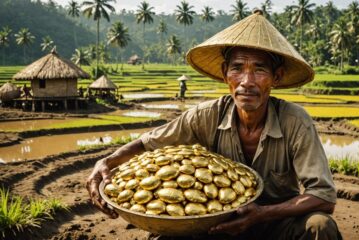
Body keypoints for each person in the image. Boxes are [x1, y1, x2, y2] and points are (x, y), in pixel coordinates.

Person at [87, 10, 340, 239]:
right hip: (218, 223)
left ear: (277, 76)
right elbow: (149, 142)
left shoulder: (295, 122)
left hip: (276, 223)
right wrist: (106, 162)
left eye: (260, 69)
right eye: (237, 68)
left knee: (320, 226)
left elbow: (323, 196)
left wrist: (262, 213)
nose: (247, 81)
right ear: (224, 72)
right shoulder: (206, 115)